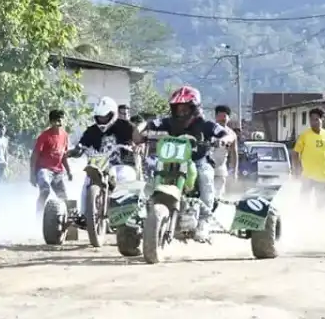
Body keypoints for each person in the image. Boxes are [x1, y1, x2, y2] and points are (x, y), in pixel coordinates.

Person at [143, 85, 234, 242]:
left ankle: (204, 221)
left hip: (198, 161)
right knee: (152, 177)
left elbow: (226, 134)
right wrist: (141, 130)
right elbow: (150, 124)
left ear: (194, 108)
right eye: (178, 109)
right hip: (171, 161)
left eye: (185, 108)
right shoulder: (169, 122)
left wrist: (223, 140)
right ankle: (146, 213)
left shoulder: (206, 124)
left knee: (205, 177)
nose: (181, 112)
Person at [70, 97, 139, 226]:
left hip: (122, 164)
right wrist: (76, 150)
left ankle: (127, 216)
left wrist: (138, 145)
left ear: (113, 114)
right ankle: (85, 214)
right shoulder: (92, 130)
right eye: (99, 117)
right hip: (100, 165)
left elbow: (139, 137)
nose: (102, 120)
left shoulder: (126, 126)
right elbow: (82, 144)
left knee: (125, 177)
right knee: (87, 183)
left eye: (105, 117)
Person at [292, 107, 325, 209]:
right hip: (308, 175)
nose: (313, 122)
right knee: (304, 201)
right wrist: (296, 168)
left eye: (316, 119)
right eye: (311, 120)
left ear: (321, 119)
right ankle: (304, 219)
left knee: (322, 203)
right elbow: (295, 153)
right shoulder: (304, 135)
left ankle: (319, 220)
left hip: (323, 176)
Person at [30, 109, 72, 214]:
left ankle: (68, 220)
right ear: (52, 122)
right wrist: (32, 174)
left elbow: (64, 156)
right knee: (45, 190)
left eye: (62, 119)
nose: (60, 122)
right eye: (57, 120)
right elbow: (34, 155)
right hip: (44, 169)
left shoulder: (64, 135)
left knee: (64, 197)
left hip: (57, 171)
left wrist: (69, 171)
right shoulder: (44, 136)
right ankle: (39, 214)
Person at [211, 105, 239, 203]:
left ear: (228, 118)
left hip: (220, 168)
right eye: (220, 116)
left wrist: (234, 172)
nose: (222, 119)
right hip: (206, 166)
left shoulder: (231, 134)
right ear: (215, 117)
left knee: (217, 196)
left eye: (225, 116)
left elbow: (234, 154)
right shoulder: (208, 129)